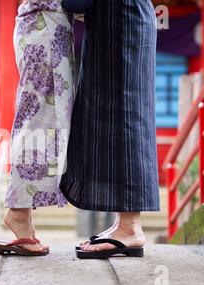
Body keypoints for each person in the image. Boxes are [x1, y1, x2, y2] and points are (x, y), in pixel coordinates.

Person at [60, 0, 160, 259]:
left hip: (121, 21)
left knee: (125, 116)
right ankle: (123, 223)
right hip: (118, 18)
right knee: (117, 115)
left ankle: (130, 227)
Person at [0, 0, 75, 256]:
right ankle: (18, 210)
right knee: (37, 117)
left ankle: (23, 214)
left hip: (47, 22)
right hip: (44, 21)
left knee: (42, 116)